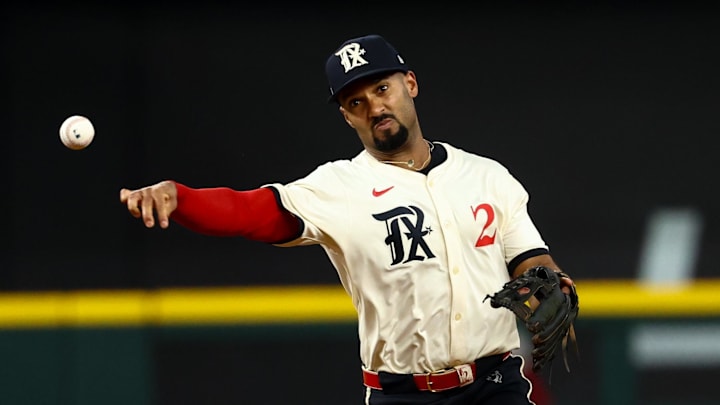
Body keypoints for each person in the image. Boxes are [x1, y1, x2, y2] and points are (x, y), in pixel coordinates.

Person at [120, 34, 576, 405]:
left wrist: (554, 282)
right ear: (345, 115)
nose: (375, 107)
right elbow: (251, 212)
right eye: (356, 101)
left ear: (410, 84)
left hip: (495, 387)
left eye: (382, 89)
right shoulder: (338, 187)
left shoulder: (487, 176)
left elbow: (530, 258)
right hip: (403, 395)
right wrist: (178, 196)